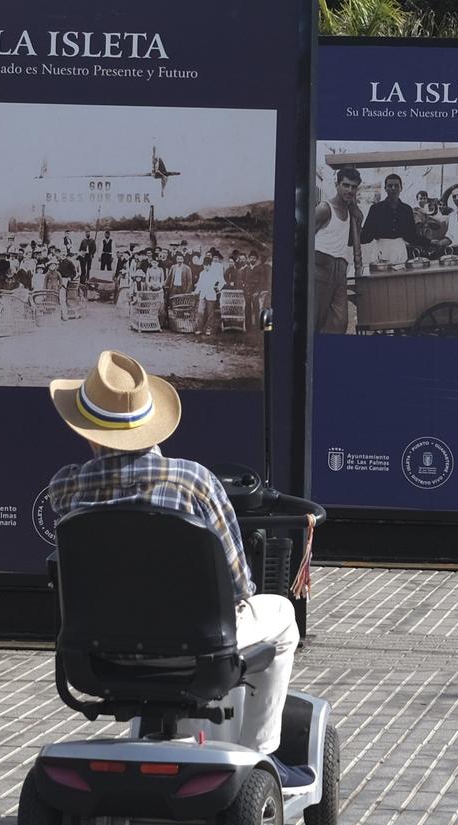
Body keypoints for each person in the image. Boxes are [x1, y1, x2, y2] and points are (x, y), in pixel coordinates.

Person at [43, 351, 305, 784]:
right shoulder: (195, 481)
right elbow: (240, 584)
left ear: (88, 434)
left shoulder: (66, 486)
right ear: (151, 425)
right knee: (281, 615)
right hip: (193, 645)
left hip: (100, 649)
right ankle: (262, 754)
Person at [313, 163, 362, 334]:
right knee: (315, 319)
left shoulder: (349, 211)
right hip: (321, 269)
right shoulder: (325, 208)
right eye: (346, 185)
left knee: (340, 322)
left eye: (354, 187)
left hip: (340, 271)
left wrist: (357, 215)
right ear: (337, 185)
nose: (349, 190)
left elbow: (349, 242)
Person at [361, 172, 419, 259]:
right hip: (381, 250)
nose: (393, 188)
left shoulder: (407, 209)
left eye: (396, 186)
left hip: (400, 251)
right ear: (385, 188)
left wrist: (430, 242)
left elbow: (412, 236)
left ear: (401, 188)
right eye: (390, 186)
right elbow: (367, 236)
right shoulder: (375, 209)